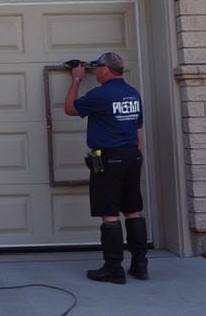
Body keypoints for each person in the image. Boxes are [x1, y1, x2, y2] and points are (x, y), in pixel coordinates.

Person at [64, 51, 148, 284]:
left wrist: (77, 78)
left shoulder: (100, 95)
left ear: (106, 70)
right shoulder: (133, 93)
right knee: (133, 210)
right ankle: (140, 265)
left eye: (96, 67)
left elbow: (70, 108)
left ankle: (113, 269)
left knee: (110, 215)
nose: (95, 71)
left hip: (110, 160)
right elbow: (137, 128)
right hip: (133, 156)